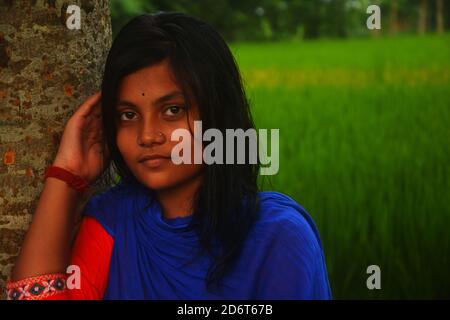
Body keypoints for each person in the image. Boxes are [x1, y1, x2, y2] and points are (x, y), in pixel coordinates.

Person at [6, 12, 332, 300]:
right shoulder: (112, 222)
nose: (148, 136)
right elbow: (32, 294)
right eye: (128, 115)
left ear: (218, 114)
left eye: (173, 110)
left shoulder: (278, 236)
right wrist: (66, 175)